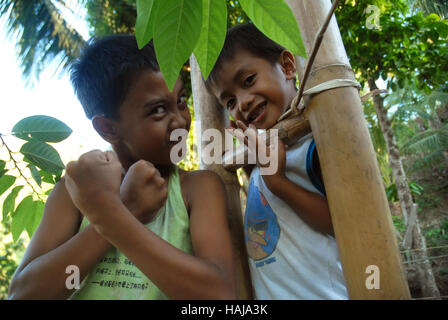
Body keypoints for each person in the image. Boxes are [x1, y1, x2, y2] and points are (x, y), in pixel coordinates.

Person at [8, 34, 235, 300]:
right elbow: (24, 294)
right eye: (159, 110)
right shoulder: (74, 193)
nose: (180, 121)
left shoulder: (197, 189)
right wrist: (127, 209)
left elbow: (220, 295)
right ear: (108, 128)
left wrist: (113, 216)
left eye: (181, 101)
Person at [205, 23, 348, 299]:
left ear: (287, 66)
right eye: (230, 102)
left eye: (248, 81)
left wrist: (278, 182)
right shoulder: (261, 159)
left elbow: (345, 224)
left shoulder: (314, 146)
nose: (243, 103)